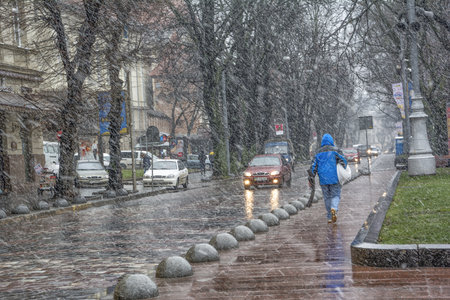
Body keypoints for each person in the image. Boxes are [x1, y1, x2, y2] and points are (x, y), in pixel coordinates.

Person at [308, 133, 347, 224]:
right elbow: (344, 160)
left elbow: (313, 166)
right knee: (336, 195)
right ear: (331, 141)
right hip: (334, 178)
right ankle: (334, 208)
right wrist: (342, 167)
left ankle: (330, 216)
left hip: (323, 179)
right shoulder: (336, 150)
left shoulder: (318, 153)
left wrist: (311, 176)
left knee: (326, 197)